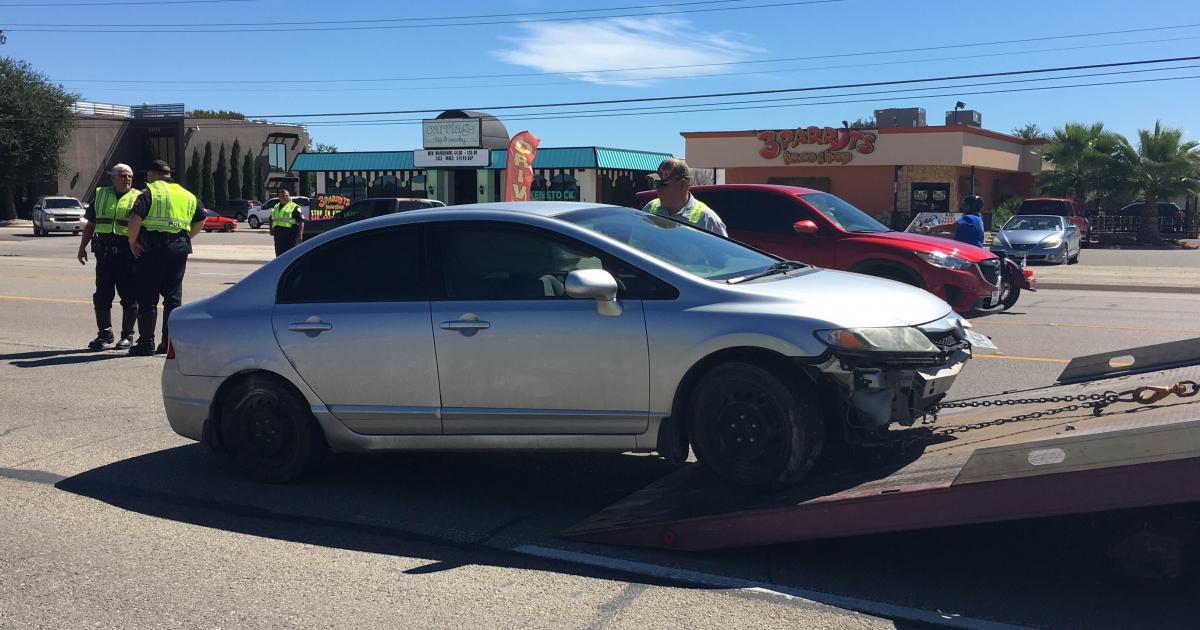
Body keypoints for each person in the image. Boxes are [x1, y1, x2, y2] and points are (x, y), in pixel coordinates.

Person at [125, 160, 205, 356]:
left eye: (148, 175)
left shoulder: (150, 192)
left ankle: (146, 343)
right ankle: (168, 343)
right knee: (173, 297)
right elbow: (201, 218)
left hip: (153, 248)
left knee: (148, 296)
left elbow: (135, 218)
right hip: (178, 248)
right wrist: (186, 237)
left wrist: (132, 242)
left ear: (154, 174)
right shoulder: (188, 195)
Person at [78, 163, 140, 350]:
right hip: (104, 256)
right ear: (112, 177)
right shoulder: (101, 194)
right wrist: (82, 247)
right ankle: (104, 334)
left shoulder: (138, 197)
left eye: (129, 175)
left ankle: (127, 335)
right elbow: (91, 224)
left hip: (127, 256)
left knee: (129, 296)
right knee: (102, 296)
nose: (126, 178)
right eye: (122, 175)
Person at [641, 157, 728, 237]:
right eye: (656, 183)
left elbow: (724, 252)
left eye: (663, 184)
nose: (657, 189)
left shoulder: (707, 221)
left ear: (682, 185)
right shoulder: (650, 208)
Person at [269, 188, 305, 256]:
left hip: (290, 236)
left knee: (290, 256)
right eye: (283, 196)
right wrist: (271, 229)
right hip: (278, 237)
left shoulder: (294, 207)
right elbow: (271, 219)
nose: (285, 197)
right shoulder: (276, 207)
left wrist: (300, 234)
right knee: (279, 256)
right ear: (279, 197)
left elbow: (301, 221)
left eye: (287, 195)